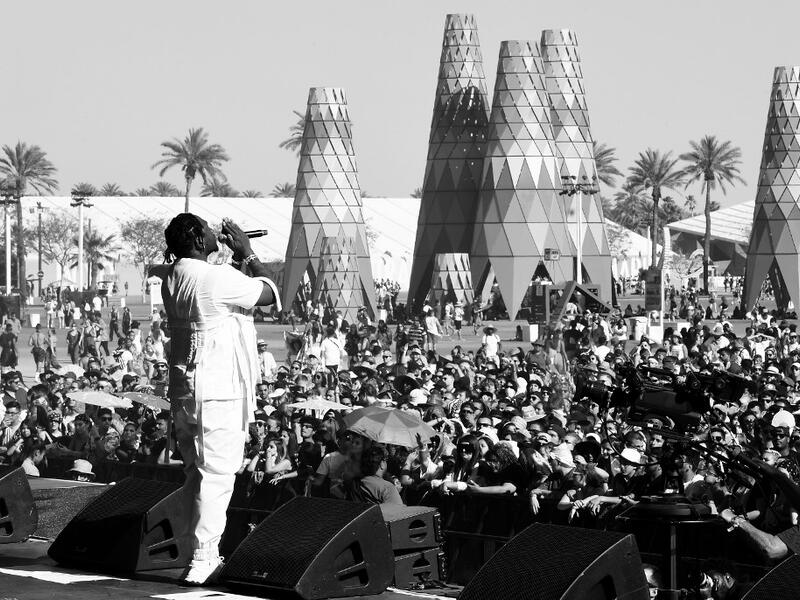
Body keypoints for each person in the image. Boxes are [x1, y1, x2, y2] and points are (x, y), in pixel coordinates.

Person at [153, 213, 280, 586]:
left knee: (197, 472)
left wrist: (233, 261)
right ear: (195, 237)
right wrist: (248, 252)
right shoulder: (215, 277)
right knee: (219, 474)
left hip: (186, 390)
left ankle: (194, 550)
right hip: (218, 391)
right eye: (207, 231)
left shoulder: (174, 276)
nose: (214, 234)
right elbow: (271, 296)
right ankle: (205, 556)